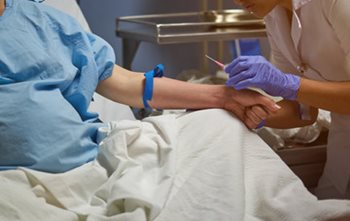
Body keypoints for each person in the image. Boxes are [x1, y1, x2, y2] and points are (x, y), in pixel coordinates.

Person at [0, 0, 279, 173]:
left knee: (222, 127)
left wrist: (225, 96)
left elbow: (127, 83)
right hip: (13, 178)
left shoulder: (42, 20)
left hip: (88, 161)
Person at [227, 0, 350, 199]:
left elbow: (295, 88)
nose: (237, 1)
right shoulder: (274, 16)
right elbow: (304, 111)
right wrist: (254, 111)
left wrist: (290, 84)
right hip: (343, 148)